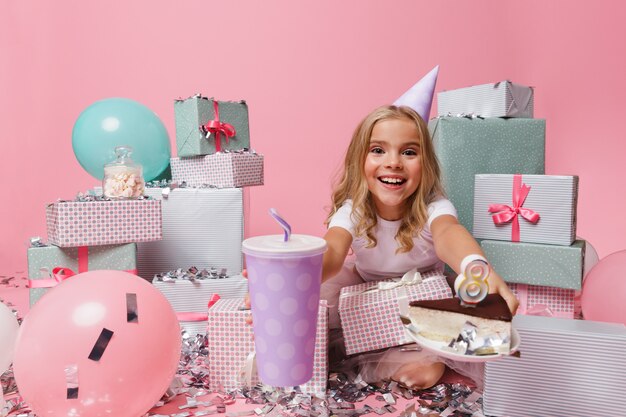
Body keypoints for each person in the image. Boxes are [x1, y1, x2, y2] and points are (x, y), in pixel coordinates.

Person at [318, 104, 518, 390]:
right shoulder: (353, 211)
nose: (393, 162)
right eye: (378, 150)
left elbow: (449, 233)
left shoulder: (434, 207)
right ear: (358, 160)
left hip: (423, 300)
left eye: (409, 152)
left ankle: (428, 358)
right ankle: (382, 348)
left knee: (455, 328)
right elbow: (334, 251)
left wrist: (476, 266)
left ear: (426, 164)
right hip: (369, 297)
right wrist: (293, 277)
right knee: (324, 312)